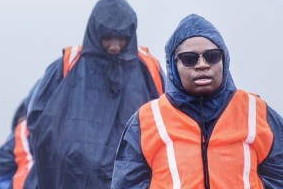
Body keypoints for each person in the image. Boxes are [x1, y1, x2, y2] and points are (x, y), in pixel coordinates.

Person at [111, 14, 283, 188]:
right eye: (189, 59)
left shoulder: (256, 111)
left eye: (212, 56)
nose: (202, 65)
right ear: (173, 65)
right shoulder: (147, 119)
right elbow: (127, 183)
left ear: (224, 60)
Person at [24, 0, 165, 188]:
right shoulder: (68, 63)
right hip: (71, 178)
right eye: (107, 38)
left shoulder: (148, 67)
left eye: (122, 38)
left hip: (130, 177)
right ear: (95, 33)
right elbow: (37, 119)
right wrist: (60, 155)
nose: (115, 47)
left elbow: (168, 116)